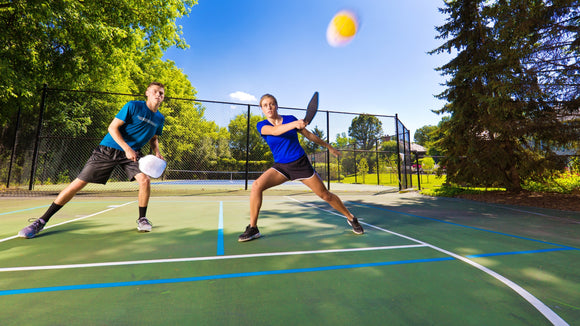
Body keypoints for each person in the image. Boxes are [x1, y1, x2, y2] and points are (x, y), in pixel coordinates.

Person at [18, 82, 166, 239]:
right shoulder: (133, 106)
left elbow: (154, 136)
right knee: (79, 183)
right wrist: (126, 148)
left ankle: (142, 218)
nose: (158, 95)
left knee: (145, 180)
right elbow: (112, 128)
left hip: (132, 154)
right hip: (109, 148)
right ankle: (41, 221)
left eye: (161, 93)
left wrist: (156, 151)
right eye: (155, 91)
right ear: (147, 93)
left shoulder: (159, 118)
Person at [238, 94, 364, 242]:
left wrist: (328, 146)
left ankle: (351, 218)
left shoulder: (290, 118)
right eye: (265, 105)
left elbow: (309, 135)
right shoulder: (262, 125)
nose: (269, 107)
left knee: (325, 195)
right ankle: (253, 228)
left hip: (300, 164)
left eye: (272, 104)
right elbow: (275, 131)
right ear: (261, 109)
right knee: (256, 186)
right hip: (281, 167)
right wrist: (296, 124)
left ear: (276, 105)